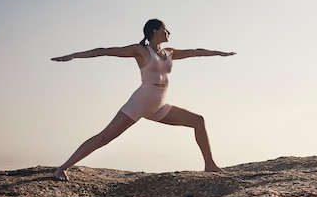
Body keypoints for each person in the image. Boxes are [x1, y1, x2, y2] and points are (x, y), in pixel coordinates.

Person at [50, 18, 236, 181]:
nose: (169, 32)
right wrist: (73, 56)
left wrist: (221, 53)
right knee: (104, 137)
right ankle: (63, 168)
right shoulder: (141, 50)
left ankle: (210, 164)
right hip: (140, 103)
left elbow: (197, 51)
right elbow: (105, 51)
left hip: (159, 107)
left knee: (198, 121)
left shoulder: (169, 52)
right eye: (165, 29)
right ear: (155, 31)